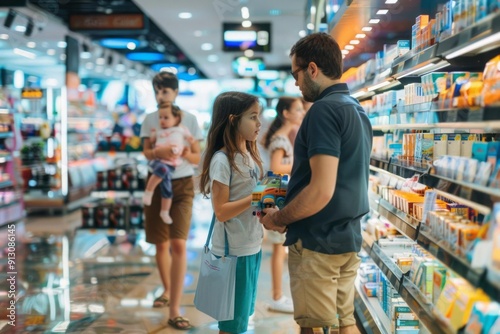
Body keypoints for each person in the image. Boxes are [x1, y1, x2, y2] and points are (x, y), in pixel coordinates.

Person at [259, 32, 373, 334]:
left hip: (317, 243)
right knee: (344, 322)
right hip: (346, 238)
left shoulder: (323, 111)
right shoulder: (356, 109)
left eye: (296, 73)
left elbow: (321, 189)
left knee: (315, 327)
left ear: (312, 69)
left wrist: (279, 218)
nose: (296, 83)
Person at [140, 71, 203, 330]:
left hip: (183, 185)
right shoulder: (149, 119)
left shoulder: (190, 120)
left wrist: (186, 153)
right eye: (156, 90)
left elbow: (198, 158)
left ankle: (175, 308)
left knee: (178, 243)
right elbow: (145, 152)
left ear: (175, 92)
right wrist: (158, 151)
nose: (160, 95)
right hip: (157, 181)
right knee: (160, 243)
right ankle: (167, 290)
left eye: (164, 91)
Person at [199, 91, 264, 334]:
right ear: (233, 119)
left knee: (241, 319)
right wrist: (257, 196)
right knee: (232, 326)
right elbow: (222, 211)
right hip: (233, 254)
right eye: (253, 117)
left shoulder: (248, 155)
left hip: (251, 247)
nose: (259, 124)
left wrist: (267, 198)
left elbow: (250, 200)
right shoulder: (222, 160)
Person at [261, 96, 305, 313]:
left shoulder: (284, 136)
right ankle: (277, 295)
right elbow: (276, 167)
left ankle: (279, 294)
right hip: (275, 193)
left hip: (276, 192)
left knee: (280, 248)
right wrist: (300, 164)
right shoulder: (279, 139)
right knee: (279, 248)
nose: (301, 113)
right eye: (297, 109)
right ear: (286, 113)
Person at [142, 104, 194, 224]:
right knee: (162, 170)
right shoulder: (159, 131)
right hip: (159, 161)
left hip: (172, 163)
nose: (162, 120)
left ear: (176, 118)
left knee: (167, 188)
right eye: (160, 117)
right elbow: (152, 141)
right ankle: (149, 192)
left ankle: (164, 211)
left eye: (166, 118)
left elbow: (190, 139)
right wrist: (153, 136)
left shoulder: (181, 129)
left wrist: (189, 144)